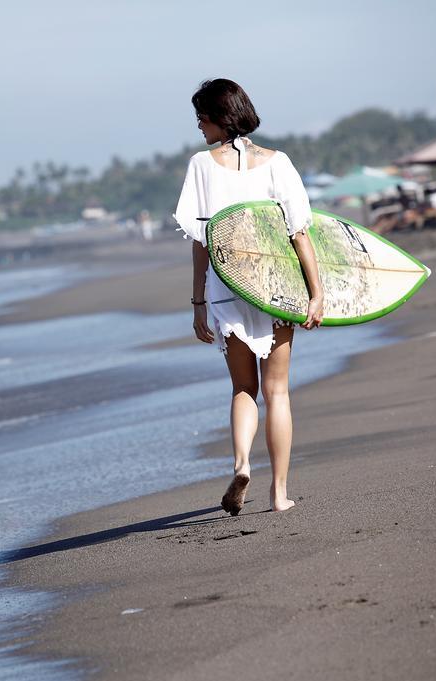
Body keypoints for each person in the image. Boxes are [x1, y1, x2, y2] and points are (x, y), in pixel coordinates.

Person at [172, 78, 324, 515]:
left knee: (243, 387)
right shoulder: (279, 163)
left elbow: (201, 240)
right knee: (277, 391)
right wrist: (316, 293)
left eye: (202, 116)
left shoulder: (201, 166)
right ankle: (279, 495)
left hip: (226, 288)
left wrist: (198, 302)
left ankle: (242, 464)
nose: (199, 126)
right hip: (274, 287)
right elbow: (300, 233)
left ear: (221, 117)